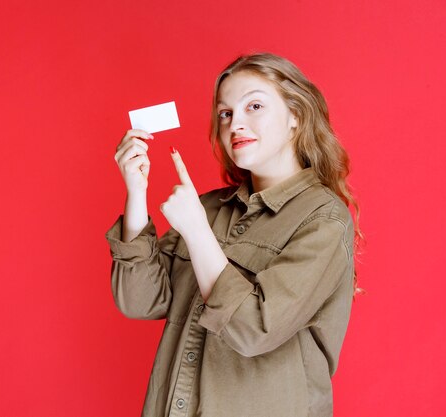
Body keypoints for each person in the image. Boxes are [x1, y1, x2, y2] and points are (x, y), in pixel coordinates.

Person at [106, 52, 362, 417]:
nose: (235, 124)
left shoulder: (323, 219)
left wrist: (196, 231)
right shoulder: (208, 207)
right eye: (225, 113)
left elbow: (255, 328)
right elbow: (140, 301)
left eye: (254, 106)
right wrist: (136, 193)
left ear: (296, 116)